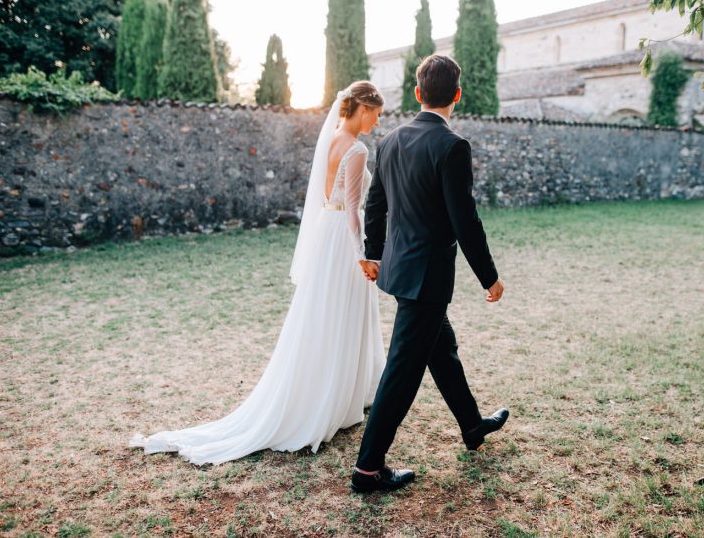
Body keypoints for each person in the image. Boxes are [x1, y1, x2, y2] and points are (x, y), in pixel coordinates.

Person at [129, 81, 387, 465]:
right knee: (342, 316)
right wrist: (362, 255)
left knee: (323, 315)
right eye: (376, 114)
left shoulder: (331, 140)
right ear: (363, 108)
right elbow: (352, 211)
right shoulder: (357, 149)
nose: (377, 122)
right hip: (344, 241)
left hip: (325, 236)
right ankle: (337, 397)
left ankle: (332, 390)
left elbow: (326, 200)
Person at [350, 55, 509, 493]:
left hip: (402, 269)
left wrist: (374, 253)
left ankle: (472, 426)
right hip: (427, 279)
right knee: (401, 373)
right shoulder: (452, 146)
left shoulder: (390, 140)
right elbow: (465, 222)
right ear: (457, 95)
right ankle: (367, 470)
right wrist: (489, 277)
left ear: (418, 92)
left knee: (443, 349)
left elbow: (375, 205)